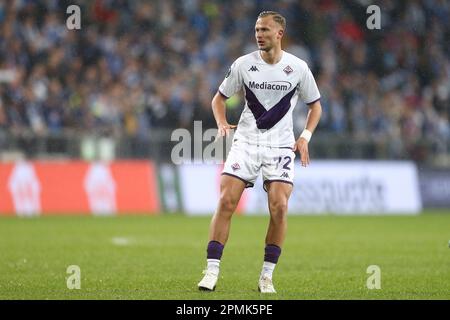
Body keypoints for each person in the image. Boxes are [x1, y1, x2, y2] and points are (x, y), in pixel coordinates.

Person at [198, 11, 322, 293]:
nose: (259, 34)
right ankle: (211, 271)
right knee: (227, 200)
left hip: (280, 146)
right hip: (246, 142)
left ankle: (266, 276)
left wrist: (305, 137)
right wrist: (220, 122)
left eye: (265, 30)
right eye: (256, 29)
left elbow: (316, 105)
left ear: (279, 34)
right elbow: (218, 99)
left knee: (279, 207)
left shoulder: (298, 67)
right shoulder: (243, 65)